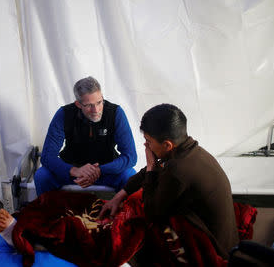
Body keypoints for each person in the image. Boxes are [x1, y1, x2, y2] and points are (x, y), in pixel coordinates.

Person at [99, 103, 239, 263]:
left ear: (167, 145)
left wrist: (151, 167)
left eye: (148, 141)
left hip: (213, 250)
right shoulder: (189, 151)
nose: (146, 146)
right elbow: (149, 171)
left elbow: (151, 211)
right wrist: (119, 196)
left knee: (134, 239)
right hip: (225, 241)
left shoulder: (178, 169)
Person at [34, 76, 137, 196]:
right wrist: (74, 170)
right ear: (78, 104)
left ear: (102, 97)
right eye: (89, 105)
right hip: (72, 171)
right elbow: (47, 156)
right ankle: (48, 214)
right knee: (42, 175)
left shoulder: (115, 112)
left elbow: (131, 156)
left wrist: (99, 171)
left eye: (99, 102)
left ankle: (125, 214)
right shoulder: (64, 113)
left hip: (107, 170)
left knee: (130, 176)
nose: (96, 110)